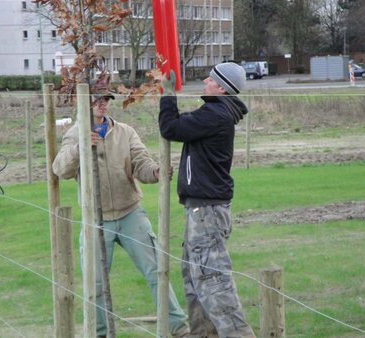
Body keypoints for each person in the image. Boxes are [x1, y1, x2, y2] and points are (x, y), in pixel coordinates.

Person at [52, 89, 189, 338]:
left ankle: (177, 326)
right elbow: (60, 169)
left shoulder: (125, 132)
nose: (102, 104)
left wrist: (156, 172)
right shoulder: (74, 135)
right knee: (95, 284)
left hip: (130, 213)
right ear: (84, 102)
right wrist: (81, 146)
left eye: (106, 100)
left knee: (157, 270)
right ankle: (99, 331)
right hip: (96, 219)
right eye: (97, 99)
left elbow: (141, 162)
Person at [158, 62, 256, 338]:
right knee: (194, 278)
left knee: (212, 282)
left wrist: (167, 94)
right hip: (201, 209)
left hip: (207, 212)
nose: (204, 80)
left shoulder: (215, 115)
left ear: (222, 87)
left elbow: (171, 127)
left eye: (210, 79)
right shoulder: (215, 111)